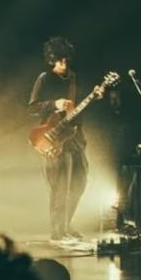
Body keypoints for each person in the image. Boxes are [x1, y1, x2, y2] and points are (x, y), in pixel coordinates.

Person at [28, 36, 91, 242]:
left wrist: (96, 97)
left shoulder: (74, 79)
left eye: (66, 59)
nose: (63, 63)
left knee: (80, 183)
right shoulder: (45, 78)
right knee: (59, 186)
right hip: (53, 138)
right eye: (59, 59)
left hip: (74, 136)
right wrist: (55, 103)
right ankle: (57, 230)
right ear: (51, 59)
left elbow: (81, 105)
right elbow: (32, 107)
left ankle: (66, 223)